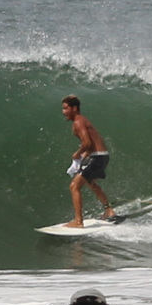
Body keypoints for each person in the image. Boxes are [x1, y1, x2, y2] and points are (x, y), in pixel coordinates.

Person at [61, 95, 118, 227]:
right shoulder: (82, 120)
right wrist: (84, 156)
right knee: (91, 183)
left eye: (65, 108)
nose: (63, 112)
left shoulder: (78, 122)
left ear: (74, 108)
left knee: (74, 186)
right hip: (101, 156)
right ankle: (109, 210)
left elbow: (86, 143)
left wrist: (78, 153)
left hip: (97, 157)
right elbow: (92, 143)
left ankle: (78, 221)